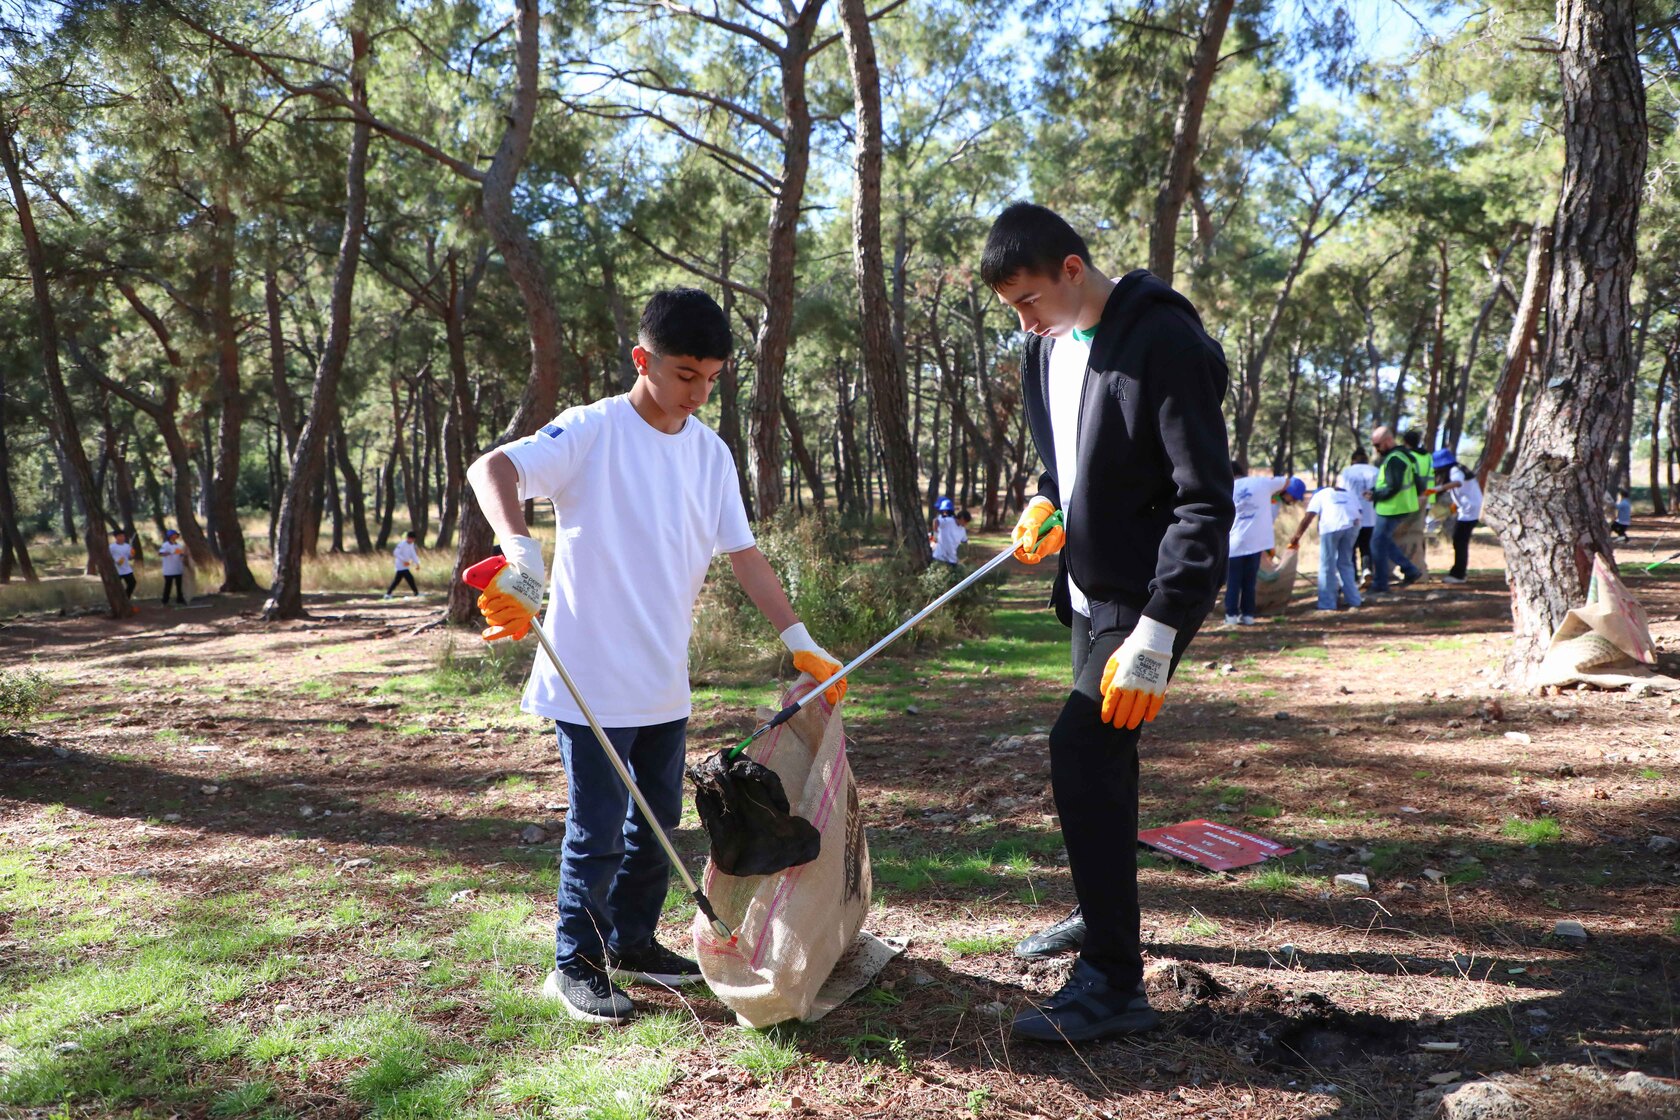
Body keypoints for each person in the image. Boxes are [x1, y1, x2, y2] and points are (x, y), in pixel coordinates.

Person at [466, 288, 849, 1026]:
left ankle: (633, 942)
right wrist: (519, 548)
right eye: (684, 374)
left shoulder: (710, 453)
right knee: (599, 826)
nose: (699, 392)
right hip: (588, 678)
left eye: (712, 377)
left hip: (662, 681)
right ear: (643, 360)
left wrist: (800, 642)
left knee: (658, 821)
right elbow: (494, 469)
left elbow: (744, 555)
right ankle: (573, 963)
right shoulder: (591, 430)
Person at [982, 203, 1233, 1042]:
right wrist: (1047, 501)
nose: (1023, 322)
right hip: (1088, 589)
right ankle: (1103, 913)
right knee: (1107, 765)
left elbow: (1204, 501)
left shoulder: (1165, 341)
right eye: (1012, 309)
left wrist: (1159, 632)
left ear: (1073, 269)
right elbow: (1067, 457)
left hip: (1146, 597)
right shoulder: (1040, 349)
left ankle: (1115, 985)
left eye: (1029, 300)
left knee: (1080, 749)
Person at [1226, 463, 1291, 625]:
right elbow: (1287, 482)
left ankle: (1231, 615)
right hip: (1257, 541)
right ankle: (1248, 615)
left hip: (1234, 543)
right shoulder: (1261, 482)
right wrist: (1274, 495)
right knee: (1249, 582)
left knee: (1233, 581)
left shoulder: (1227, 487)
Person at [1286, 480, 1362, 611]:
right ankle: (1354, 600)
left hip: (1332, 526)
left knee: (1327, 565)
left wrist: (1296, 537)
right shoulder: (1348, 493)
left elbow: (1308, 517)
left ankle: (1327, 604)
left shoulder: (1320, 495)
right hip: (1353, 525)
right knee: (1345, 563)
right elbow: (1359, 511)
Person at [1369, 426, 1423, 593]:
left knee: (1377, 544)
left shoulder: (1395, 459)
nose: (1376, 450)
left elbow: (1393, 486)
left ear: (1389, 440)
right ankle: (1410, 570)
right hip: (1400, 507)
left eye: (1378, 445)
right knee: (1383, 541)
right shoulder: (1405, 456)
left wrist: (1375, 495)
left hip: (1392, 508)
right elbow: (1419, 485)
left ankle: (1380, 584)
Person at [1432, 449, 1482, 584]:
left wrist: (1438, 489)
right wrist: (1453, 507)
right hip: (1467, 510)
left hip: (1470, 511)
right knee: (1459, 541)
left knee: (1459, 541)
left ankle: (1458, 574)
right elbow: (1461, 491)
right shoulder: (1458, 469)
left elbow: (1458, 483)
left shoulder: (1455, 470)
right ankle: (1458, 572)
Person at [1341, 449, 1378, 583]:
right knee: (1366, 545)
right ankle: (1367, 570)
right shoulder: (1375, 471)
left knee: (1350, 547)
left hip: (1352, 516)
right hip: (1371, 515)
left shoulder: (1347, 472)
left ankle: (1352, 575)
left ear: (1353, 460)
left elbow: (1342, 492)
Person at [931, 497, 968, 568]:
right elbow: (936, 524)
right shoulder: (943, 519)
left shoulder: (949, 521)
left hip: (951, 556)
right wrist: (935, 537)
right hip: (940, 554)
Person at [158, 529, 189, 605]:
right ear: (170, 536)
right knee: (168, 586)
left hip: (178, 569)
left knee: (179, 585)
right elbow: (160, 553)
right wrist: (169, 553)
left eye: (176, 535)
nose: (175, 536)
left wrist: (183, 554)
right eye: (174, 535)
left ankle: (180, 599)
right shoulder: (166, 545)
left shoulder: (179, 545)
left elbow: (181, 554)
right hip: (169, 570)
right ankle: (165, 600)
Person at [385, 532, 421, 598]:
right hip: (400, 565)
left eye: (413, 540)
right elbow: (395, 553)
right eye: (411, 539)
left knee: (400, 580)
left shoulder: (411, 544)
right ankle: (416, 593)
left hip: (405, 566)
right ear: (408, 538)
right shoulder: (401, 544)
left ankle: (388, 594)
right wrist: (404, 560)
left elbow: (413, 554)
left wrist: (417, 563)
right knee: (408, 579)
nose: (412, 541)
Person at [109, 529, 137, 599]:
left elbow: (130, 558)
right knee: (116, 587)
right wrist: (116, 561)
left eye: (123, 536)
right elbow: (108, 558)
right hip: (117, 570)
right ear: (116, 537)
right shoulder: (111, 547)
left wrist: (132, 555)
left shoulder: (127, 546)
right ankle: (116, 600)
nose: (122, 538)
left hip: (127, 569)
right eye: (120, 536)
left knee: (132, 583)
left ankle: (126, 598)